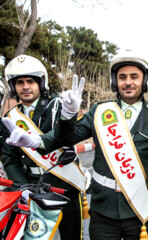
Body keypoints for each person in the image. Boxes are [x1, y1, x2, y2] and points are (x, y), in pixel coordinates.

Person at [4, 50, 148, 240]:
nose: (128, 82)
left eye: (134, 77)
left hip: (141, 207)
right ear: (114, 81)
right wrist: (66, 118)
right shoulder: (99, 111)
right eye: (122, 77)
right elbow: (68, 137)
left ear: (144, 81)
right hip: (104, 209)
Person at [2, 54, 86, 239]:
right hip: (30, 186)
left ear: (40, 83)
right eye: (20, 82)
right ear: (13, 87)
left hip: (64, 184)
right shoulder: (10, 118)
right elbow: (10, 159)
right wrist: (22, 187)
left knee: (71, 236)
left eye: (30, 81)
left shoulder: (58, 106)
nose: (25, 87)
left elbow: (62, 136)